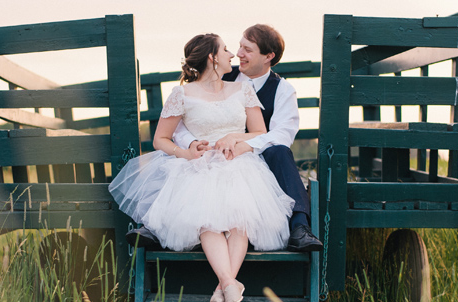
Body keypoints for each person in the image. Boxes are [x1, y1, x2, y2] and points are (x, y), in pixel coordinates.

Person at [109, 34, 295, 302]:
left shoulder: (243, 91)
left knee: (239, 220)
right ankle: (230, 283)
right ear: (212, 57)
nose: (232, 54)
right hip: (200, 165)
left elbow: (259, 132)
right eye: (226, 49)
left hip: (238, 164)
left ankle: (224, 286)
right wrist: (186, 152)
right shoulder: (181, 94)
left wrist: (235, 136)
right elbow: (161, 139)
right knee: (207, 222)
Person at [129, 24, 323, 252]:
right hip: (208, 154)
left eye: (247, 49)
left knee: (279, 151)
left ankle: (299, 227)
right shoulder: (219, 74)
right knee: (178, 166)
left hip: (259, 159)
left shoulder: (282, 90)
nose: (238, 53)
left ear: (268, 56)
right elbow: (181, 122)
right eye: (238, 47)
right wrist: (192, 143)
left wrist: (241, 143)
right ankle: (156, 226)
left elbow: (282, 135)